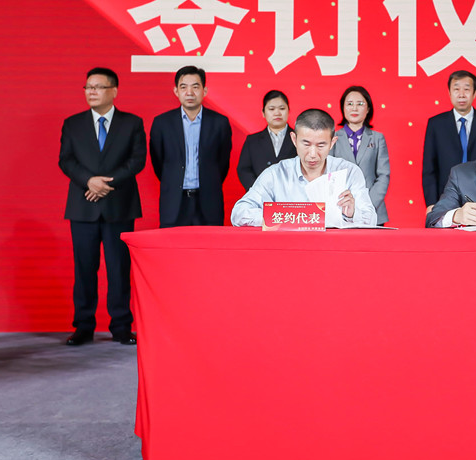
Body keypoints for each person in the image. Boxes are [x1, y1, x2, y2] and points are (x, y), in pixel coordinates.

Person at [58, 67, 145, 346]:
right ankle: (83, 327)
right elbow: (66, 160)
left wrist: (106, 183)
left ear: (114, 91)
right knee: (84, 269)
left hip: (119, 205)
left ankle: (121, 327)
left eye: (97, 87)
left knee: (119, 269)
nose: (91, 92)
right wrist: (89, 182)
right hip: (83, 206)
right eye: (88, 87)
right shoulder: (73, 124)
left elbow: (137, 160)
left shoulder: (132, 123)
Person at [231, 109, 377, 227]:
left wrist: (352, 214)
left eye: (321, 145)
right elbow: (239, 214)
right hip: (288, 249)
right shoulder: (276, 174)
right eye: (306, 144)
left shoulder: (349, 172)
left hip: (332, 250)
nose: (312, 154)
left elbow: (371, 219)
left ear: (332, 143)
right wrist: (289, 217)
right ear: (294, 139)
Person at [149, 66, 233, 227]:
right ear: (176, 91)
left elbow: (222, 163)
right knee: (172, 243)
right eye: (183, 87)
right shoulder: (162, 123)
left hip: (209, 201)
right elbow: (158, 162)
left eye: (195, 87)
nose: (189, 92)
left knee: (209, 242)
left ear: (204, 91)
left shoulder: (220, 123)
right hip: (174, 202)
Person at [421, 70, 476, 211]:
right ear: (449, 93)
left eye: (466, 89)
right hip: (446, 196)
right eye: (456, 89)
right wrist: (431, 203)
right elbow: (429, 168)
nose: (461, 94)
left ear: (475, 93)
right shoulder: (436, 123)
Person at [330, 85, 391, 225]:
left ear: (368, 108)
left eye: (360, 104)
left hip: (374, 210)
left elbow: (383, 175)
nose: (354, 108)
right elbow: (329, 174)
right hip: (341, 209)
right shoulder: (333, 138)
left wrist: (367, 205)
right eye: (350, 104)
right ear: (343, 107)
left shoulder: (377, 138)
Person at [236, 90, 297, 190]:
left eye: (282, 108)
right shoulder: (252, 141)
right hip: (260, 195)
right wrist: (258, 190)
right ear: (263, 112)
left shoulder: (299, 139)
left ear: (288, 110)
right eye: (271, 109)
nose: (277, 113)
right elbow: (244, 170)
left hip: (292, 194)